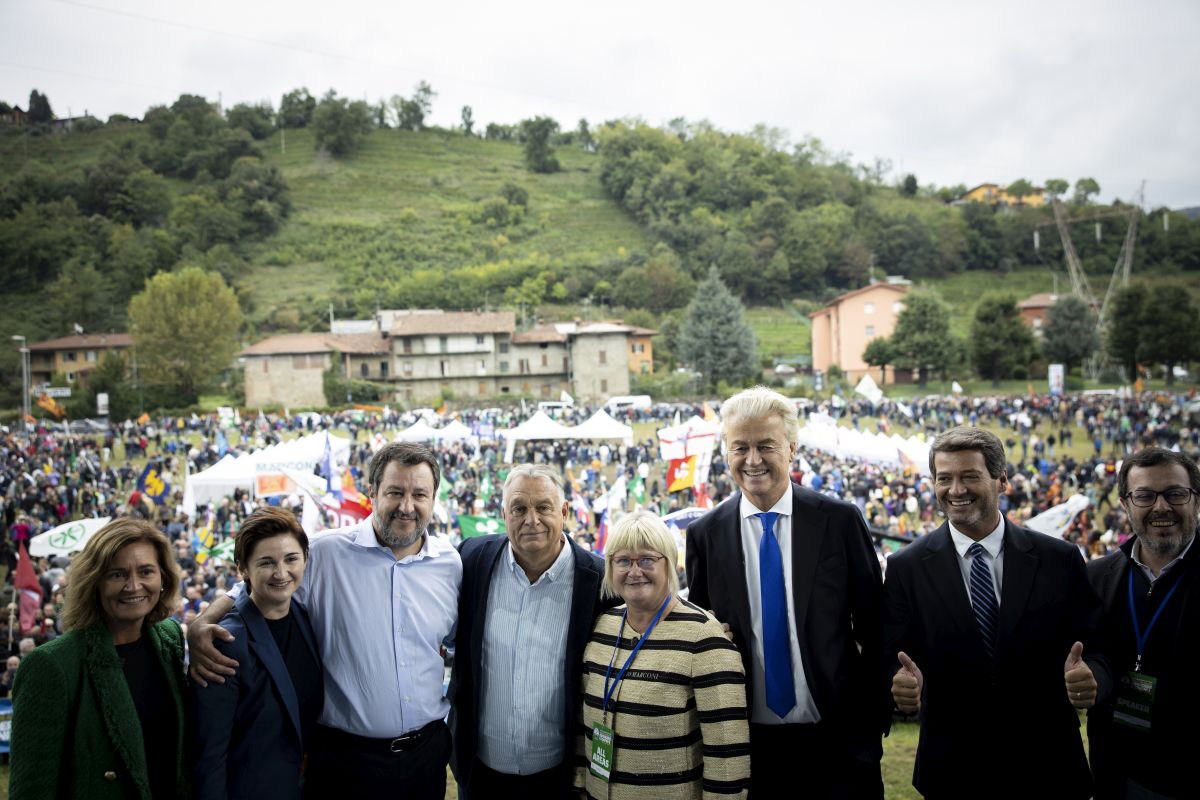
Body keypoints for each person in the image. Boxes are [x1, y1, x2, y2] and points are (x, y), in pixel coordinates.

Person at [189, 442, 461, 800]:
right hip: (346, 762)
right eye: (395, 492)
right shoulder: (324, 553)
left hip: (425, 756)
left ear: (433, 498)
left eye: (419, 494)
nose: (407, 506)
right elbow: (259, 585)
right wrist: (201, 622)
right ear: (372, 492)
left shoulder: (450, 564)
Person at [882, 426, 1109, 800]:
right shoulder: (906, 567)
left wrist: (1094, 675)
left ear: (1001, 479)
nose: (955, 490)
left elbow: (1099, 645)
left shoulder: (1059, 559)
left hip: (1048, 767)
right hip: (953, 770)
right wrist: (897, 683)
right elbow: (890, 654)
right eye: (944, 479)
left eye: (970, 476)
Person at [685, 386, 886, 798]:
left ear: (791, 448)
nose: (753, 459)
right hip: (748, 748)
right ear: (727, 453)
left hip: (838, 743)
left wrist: (874, 713)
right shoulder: (706, 534)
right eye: (740, 447)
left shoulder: (840, 521)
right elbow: (701, 634)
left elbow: (877, 625)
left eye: (766, 446)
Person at [450, 464, 615, 799]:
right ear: (503, 513)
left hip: (559, 778)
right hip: (479, 775)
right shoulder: (472, 559)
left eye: (543, 507)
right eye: (519, 509)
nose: (532, 520)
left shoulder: (599, 582)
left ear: (564, 511)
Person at [577, 511, 749, 800]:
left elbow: (728, 757)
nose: (634, 571)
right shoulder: (602, 627)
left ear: (669, 563)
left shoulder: (705, 637)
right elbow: (584, 723)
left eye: (647, 560)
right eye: (623, 561)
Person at [10, 518, 187, 799]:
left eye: (146, 571)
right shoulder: (51, 665)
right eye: (117, 574)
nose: (134, 585)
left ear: (163, 578)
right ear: (94, 582)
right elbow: (32, 790)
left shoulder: (170, 637)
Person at [1087, 447, 1199, 799]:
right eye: (1145, 496)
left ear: (1195, 500)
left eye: (1175, 494)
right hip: (1115, 773)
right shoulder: (1095, 578)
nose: (1161, 507)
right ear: (1125, 504)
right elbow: (1088, 654)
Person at [191, 507, 323, 799]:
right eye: (266, 563)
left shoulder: (305, 617)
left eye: (291, 559)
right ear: (243, 569)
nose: (281, 573)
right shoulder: (226, 642)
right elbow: (209, 756)